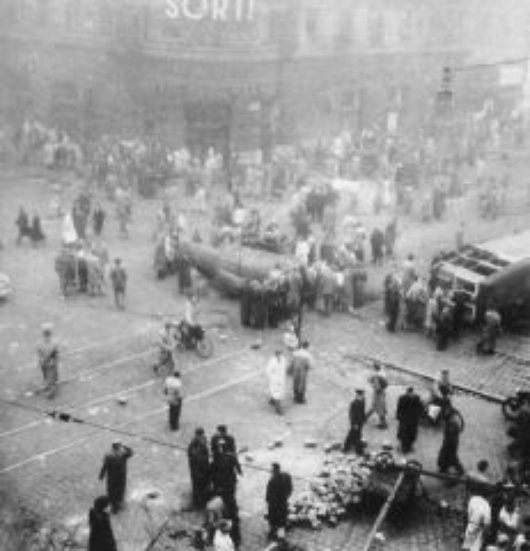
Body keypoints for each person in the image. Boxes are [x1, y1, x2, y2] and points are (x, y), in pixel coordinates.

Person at [99, 441, 134, 513]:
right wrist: (124, 446)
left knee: (112, 492)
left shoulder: (109, 455)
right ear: (119, 447)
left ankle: (114, 506)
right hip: (121, 478)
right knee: (120, 491)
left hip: (112, 478)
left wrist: (101, 475)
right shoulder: (122, 455)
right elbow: (131, 452)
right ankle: (118, 504)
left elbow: (104, 466)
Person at [266, 463, 293, 541]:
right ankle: (281, 537)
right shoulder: (286, 476)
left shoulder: (272, 481)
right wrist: (286, 497)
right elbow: (290, 488)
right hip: (283, 503)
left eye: (271, 470)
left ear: (273, 470)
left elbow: (268, 495)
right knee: (282, 521)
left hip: (274, 505)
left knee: (272, 519)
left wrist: (269, 503)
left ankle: (272, 532)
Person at [437, 404, 465, 475]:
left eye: (446, 411)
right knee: (446, 455)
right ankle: (444, 468)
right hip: (450, 440)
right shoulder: (452, 419)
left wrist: (446, 442)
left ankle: (460, 470)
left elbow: (451, 433)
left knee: (451, 456)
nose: (445, 412)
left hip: (451, 441)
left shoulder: (453, 422)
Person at [188, 427, 211, 508]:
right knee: (197, 486)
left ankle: (205, 498)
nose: (201, 437)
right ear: (196, 435)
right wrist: (202, 457)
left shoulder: (203, 440)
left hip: (204, 467)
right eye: (199, 435)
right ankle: (197, 503)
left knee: (205, 483)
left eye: (202, 435)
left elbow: (206, 452)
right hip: (197, 469)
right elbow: (193, 457)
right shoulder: (193, 445)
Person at [396, 386, 423, 453]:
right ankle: (407, 447)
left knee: (405, 434)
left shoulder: (402, 398)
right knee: (409, 434)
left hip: (407, 420)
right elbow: (420, 408)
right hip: (411, 420)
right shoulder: (416, 398)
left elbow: (399, 408)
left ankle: (405, 447)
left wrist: (398, 416)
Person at [37, 323, 59, 399]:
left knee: (51, 377)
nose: (46, 334)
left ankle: (51, 391)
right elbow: (39, 351)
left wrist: (54, 361)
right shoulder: (41, 342)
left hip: (50, 363)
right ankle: (49, 386)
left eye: (47, 332)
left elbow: (55, 353)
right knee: (46, 375)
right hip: (45, 363)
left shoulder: (53, 343)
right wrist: (41, 360)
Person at [343, 389, 366, 455]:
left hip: (360, 422)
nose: (360, 397)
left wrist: (364, 418)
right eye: (359, 395)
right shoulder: (354, 403)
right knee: (357, 436)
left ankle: (347, 447)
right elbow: (352, 414)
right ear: (356, 395)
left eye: (361, 395)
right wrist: (354, 423)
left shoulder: (363, 401)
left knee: (353, 434)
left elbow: (362, 411)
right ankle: (359, 451)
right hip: (355, 422)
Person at [366, 363, 388, 429]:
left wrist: (372, 385)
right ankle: (365, 417)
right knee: (380, 408)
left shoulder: (375, 376)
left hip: (378, 394)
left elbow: (376, 386)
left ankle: (383, 424)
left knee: (376, 407)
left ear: (375, 368)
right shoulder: (383, 373)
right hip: (382, 393)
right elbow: (386, 384)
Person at [265, 350, 287, 415]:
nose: (279, 356)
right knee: (277, 393)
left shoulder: (283, 360)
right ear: (276, 354)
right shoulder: (272, 361)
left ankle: (272, 400)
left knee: (278, 392)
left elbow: (284, 368)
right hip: (274, 379)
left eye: (280, 354)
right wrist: (272, 378)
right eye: (278, 354)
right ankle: (278, 409)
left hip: (281, 378)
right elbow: (268, 371)